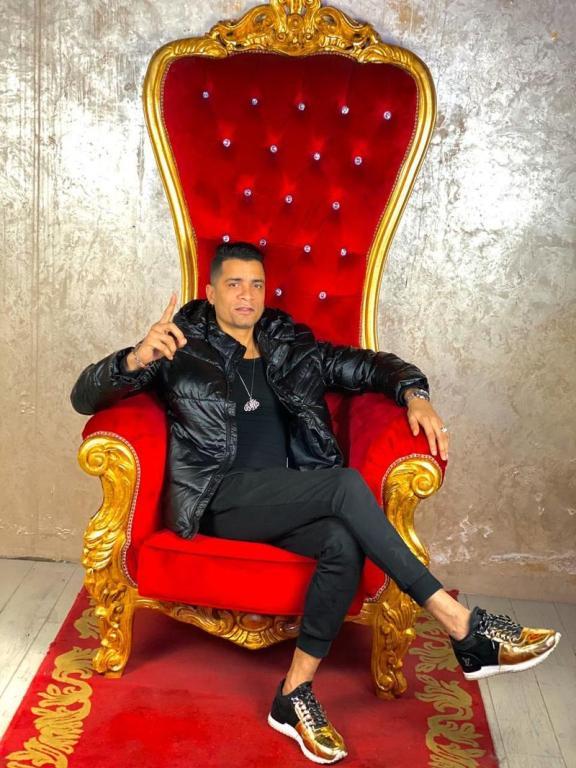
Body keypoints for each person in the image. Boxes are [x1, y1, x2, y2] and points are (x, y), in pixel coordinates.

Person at [71, 241, 560, 765]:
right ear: (210, 292)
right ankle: (461, 625)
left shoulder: (291, 347)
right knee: (344, 485)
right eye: (234, 284)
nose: (246, 295)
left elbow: (371, 366)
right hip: (217, 498)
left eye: (256, 284)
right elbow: (83, 397)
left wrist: (415, 395)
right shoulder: (178, 346)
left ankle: (293, 695)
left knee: (341, 543)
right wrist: (134, 358)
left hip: (284, 497)